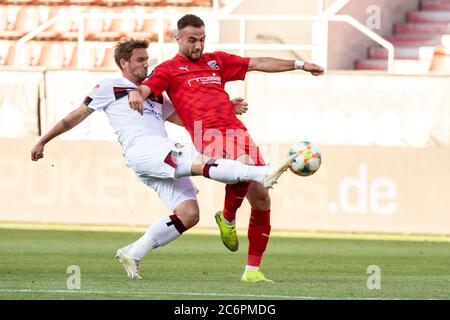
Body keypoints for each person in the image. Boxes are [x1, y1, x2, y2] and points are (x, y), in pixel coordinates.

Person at [30, 39, 289, 280]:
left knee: (189, 214)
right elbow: (76, 115)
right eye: (141, 60)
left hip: (155, 156)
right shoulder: (110, 86)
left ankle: (133, 253)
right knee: (203, 162)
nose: (147, 64)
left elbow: (184, 117)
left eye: (147, 59)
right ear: (124, 63)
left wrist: (224, 108)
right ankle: (262, 172)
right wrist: (44, 140)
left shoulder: (154, 93)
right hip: (144, 149)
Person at [128, 14, 325, 283]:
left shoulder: (216, 61)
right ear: (178, 39)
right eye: (192, 41)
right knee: (244, 165)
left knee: (262, 197)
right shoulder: (169, 69)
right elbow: (146, 89)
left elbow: (257, 63)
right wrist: (136, 93)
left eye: (202, 40)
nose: (198, 46)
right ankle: (229, 217)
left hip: (237, 131)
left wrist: (300, 64)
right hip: (206, 135)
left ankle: (252, 272)